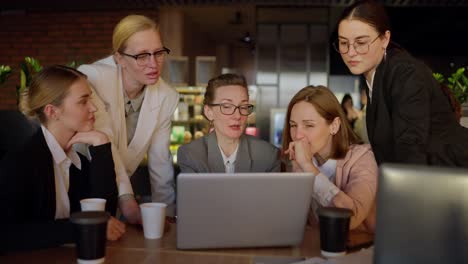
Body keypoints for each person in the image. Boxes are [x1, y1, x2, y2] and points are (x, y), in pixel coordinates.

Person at [0, 65, 125, 253]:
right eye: (83, 101)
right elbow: (6, 234)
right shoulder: (20, 162)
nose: (94, 107)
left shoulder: (77, 161)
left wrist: (101, 145)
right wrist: (81, 227)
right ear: (52, 112)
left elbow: (105, 215)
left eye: (90, 98)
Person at [335, 0, 468, 166]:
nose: (351, 52)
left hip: (454, 176)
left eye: (361, 43)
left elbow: (410, 149)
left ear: (385, 39)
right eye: (343, 43)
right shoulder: (376, 78)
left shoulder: (404, 73)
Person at [78, 15, 179, 218]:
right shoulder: (93, 78)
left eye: (158, 53)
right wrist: (126, 198)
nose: (154, 64)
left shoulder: (167, 96)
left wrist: (165, 215)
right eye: (142, 56)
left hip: (125, 193)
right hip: (85, 187)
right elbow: (105, 143)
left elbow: (160, 163)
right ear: (119, 58)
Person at [283, 85, 377, 233]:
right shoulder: (294, 161)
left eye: (309, 125)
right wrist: (296, 172)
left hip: (359, 249)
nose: (298, 135)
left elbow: (350, 218)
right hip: (314, 250)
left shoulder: (363, 158)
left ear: (334, 126)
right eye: (293, 125)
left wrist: (308, 168)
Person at [177, 73, 281, 173]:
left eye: (243, 107)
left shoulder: (268, 155)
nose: (237, 116)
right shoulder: (190, 154)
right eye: (227, 106)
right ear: (209, 112)